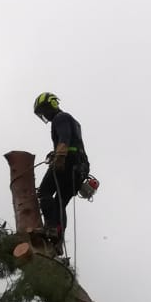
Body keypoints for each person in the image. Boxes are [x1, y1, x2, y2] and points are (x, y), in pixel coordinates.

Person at [33, 92, 95, 251]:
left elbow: (65, 137)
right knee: (61, 203)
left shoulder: (61, 118)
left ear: (52, 105)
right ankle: (57, 239)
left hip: (68, 162)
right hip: (80, 167)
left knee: (45, 192)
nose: (45, 115)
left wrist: (59, 156)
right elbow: (72, 140)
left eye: (44, 110)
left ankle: (51, 228)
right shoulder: (72, 120)